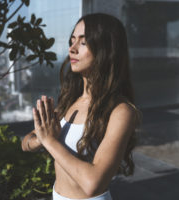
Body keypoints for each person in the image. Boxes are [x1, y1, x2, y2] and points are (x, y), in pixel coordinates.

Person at [21, 13, 142, 200]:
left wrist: (50, 142)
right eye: (72, 40)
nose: (72, 49)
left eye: (83, 42)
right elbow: (26, 142)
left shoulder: (120, 111)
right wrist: (41, 139)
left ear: (106, 49)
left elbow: (93, 183)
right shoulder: (71, 100)